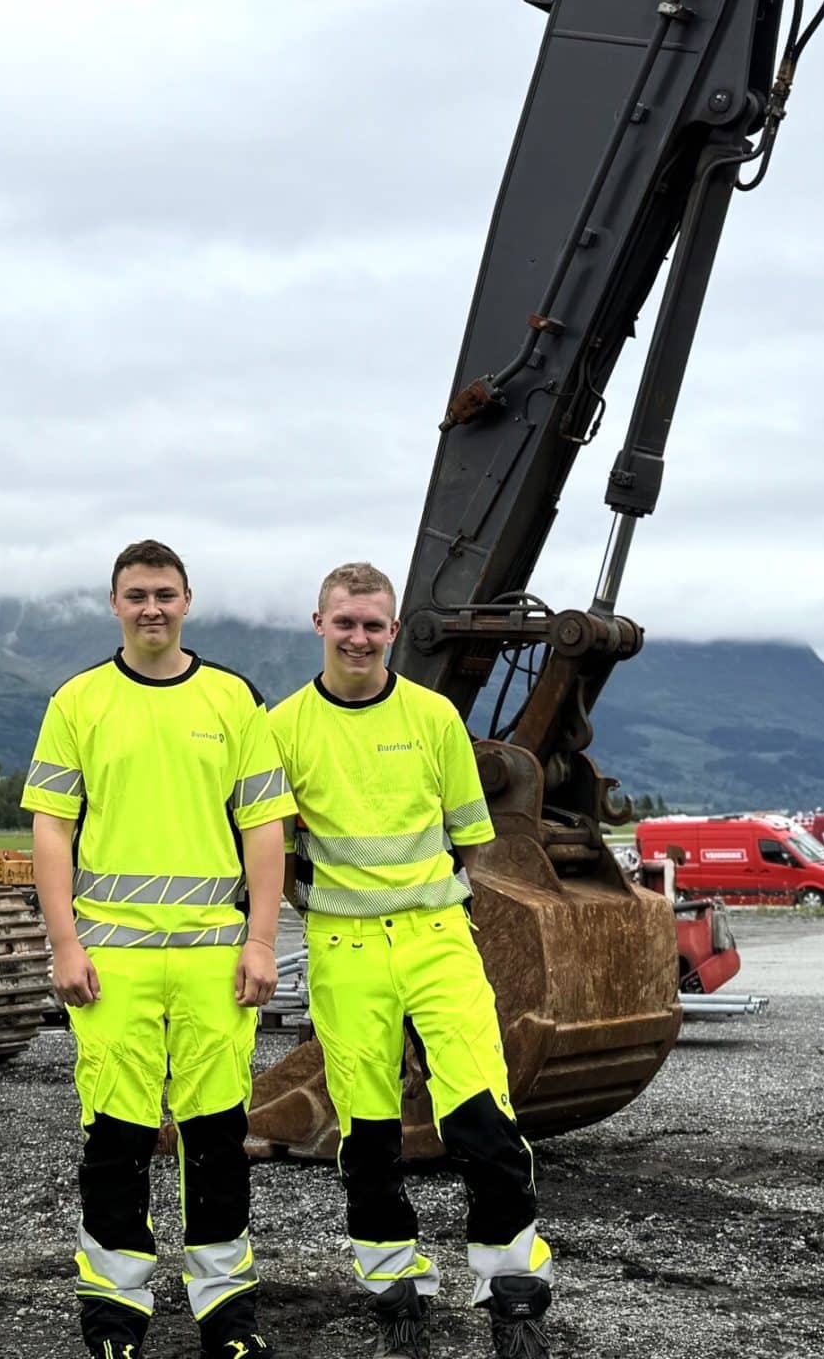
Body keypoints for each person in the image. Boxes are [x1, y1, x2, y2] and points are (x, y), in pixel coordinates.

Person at [264, 563, 555, 1359]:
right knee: (368, 1132)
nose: (358, 637)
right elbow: (273, 851)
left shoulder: (432, 719)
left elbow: (472, 838)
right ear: (318, 623)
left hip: (435, 940)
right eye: (344, 622)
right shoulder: (283, 728)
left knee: (482, 1117)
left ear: (393, 632)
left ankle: (513, 1291)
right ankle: (395, 1285)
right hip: (343, 949)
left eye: (373, 625)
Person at [21, 539, 294, 1359]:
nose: (152, 608)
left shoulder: (232, 699)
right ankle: (114, 1317)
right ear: (113, 604)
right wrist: (63, 942)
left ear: (188, 601)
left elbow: (264, 826)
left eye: (165, 594)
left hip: (214, 954)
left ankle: (228, 1317)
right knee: (116, 1139)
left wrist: (261, 940)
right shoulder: (80, 701)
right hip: (113, 960)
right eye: (136, 594)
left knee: (217, 1137)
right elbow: (50, 827)